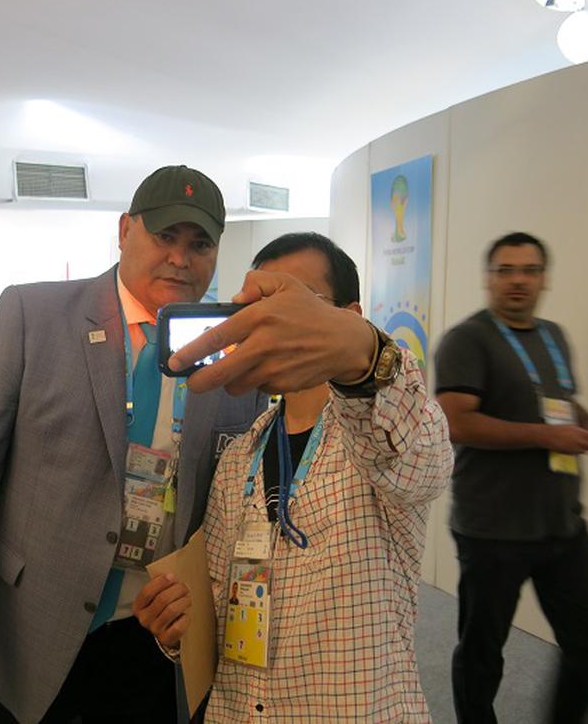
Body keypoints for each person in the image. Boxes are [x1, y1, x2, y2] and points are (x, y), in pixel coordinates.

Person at [0, 165, 265, 724]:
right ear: (125, 230)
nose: (181, 257)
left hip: (151, 638)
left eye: (200, 244)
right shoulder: (32, 315)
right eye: (165, 237)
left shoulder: (230, 353)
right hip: (28, 626)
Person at [134, 233, 452, 722]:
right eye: (262, 306)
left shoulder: (380, 439)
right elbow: (219, 606)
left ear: (350, 314)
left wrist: (364, 355)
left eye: (300, 302)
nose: (278, 323)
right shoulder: (240, 458)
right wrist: (178, 628)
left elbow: (422, 462)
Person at [433, 232, 588, 724]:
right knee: (483, 651)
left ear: (544, 279)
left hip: (561, 523)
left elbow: (557, 400)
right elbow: (457, 422)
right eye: (506, 270)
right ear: (489, 278)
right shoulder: (467, 340)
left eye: (530, 270)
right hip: (493, 528)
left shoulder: (554, 335)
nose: (518, 280)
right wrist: (546, 437)